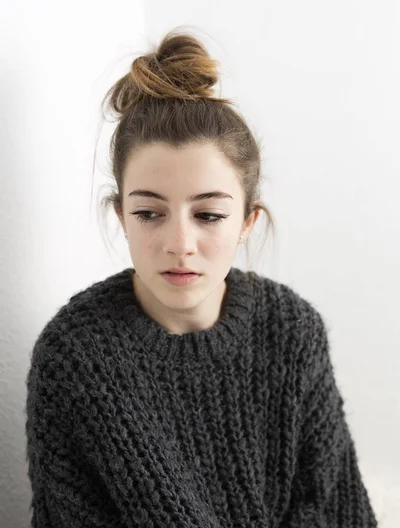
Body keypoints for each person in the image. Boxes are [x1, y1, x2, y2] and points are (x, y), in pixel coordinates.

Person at [25, 27, 378, 527]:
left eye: (208, 215)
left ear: (247, 222)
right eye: (150, 213)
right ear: (122, 216)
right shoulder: (76, 357)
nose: (180, 243)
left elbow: (338, 511)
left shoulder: (293, 332)